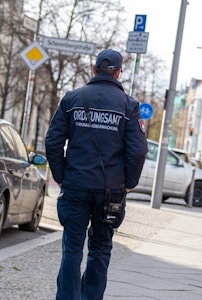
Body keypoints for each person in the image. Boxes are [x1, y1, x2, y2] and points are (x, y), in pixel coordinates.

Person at [45, 49, 148, 300]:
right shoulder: (129, 106)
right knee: (100, 250)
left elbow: (52, 141)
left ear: (93, 70)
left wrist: (61, 175)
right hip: (110, 191)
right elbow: (138, 151)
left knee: (72, 250)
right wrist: (128, 184)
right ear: (118, 72)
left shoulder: (72, 99)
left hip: (76, 186)